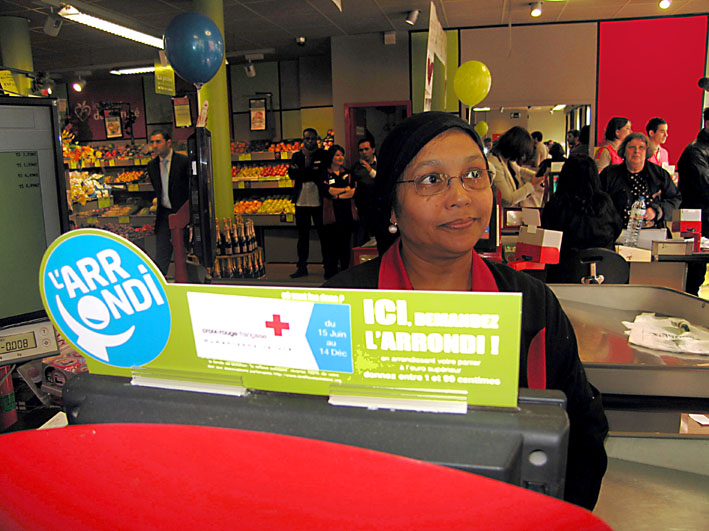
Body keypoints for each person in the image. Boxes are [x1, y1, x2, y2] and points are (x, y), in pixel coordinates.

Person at [324, 111, 609, 510]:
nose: (460, 196)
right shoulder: (339, 306)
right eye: (431, 180)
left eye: (474, 175)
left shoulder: (532, 306)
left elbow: (583, 433)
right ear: (391, 206)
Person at [542, 156, 623, 282]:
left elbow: (548, 241)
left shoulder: (556, 206)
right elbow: (616, 229)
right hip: (605, 276)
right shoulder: (605, 203)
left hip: (565, 277)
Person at [600, 132, 681, 230]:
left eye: (641, 147)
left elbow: (675, 199)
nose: (636, 151)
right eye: (631, 147)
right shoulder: (609, 174)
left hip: (652, 232)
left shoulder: (659, 174)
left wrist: (657, 211)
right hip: (616, 231)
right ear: (624, 151)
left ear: (647, 152)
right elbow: (599, 201)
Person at [146, 129, 190, 276]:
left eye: (158, 141)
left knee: (185, 254)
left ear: (168, 143)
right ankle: (162, 285)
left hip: (182, 214)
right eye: (152, 142)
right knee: (161, 256)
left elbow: (191, 187)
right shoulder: (151, 166)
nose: (155, 145)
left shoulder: (183, 162)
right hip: (164, 215)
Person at [677, 107, 709, 295]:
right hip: (697, 219)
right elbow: (705, 186)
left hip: (703, 216)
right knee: (694, 270)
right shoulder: (695, 152)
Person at [288, 128, 328, 278]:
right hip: (301, 201)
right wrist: (309, 171)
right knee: (302, 236)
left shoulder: (323, 155)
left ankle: (328, 267)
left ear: (317, 139)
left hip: (319, 201)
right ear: (303, 140)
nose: (310, 141)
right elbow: (291, 173)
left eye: (312, 138)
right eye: (307, 139)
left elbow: (320, 173)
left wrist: (302, 172)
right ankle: (302, 267)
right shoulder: (297, 156)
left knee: (323, 235)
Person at [321, 145, 357, 279]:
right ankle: (331, 274)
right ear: (331, 157)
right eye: (337, 155)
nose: (340, 157)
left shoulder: (347, 173)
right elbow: (327, 191)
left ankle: (345, 272)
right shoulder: (325, 173)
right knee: (331, 246)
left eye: (342, 154)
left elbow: (352, 191)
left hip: (346, 214)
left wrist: (337, 195)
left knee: (345, 245)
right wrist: (343, 190)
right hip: (331, 216)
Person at [489, 126, 545, 207]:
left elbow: (520, 170)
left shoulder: (507, 160)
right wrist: (531, 185)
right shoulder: (495, 163)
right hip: (503, 215)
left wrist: (536, 175)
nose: (522, 157)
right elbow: (507, 200)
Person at [352, 138, 377, 246]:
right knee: (361, 239)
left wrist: (369, 170)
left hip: (378, 208)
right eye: (361, 150)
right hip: (362, 210)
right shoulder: (356, 168)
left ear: (373, 150)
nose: (364, 152)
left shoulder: (381, 164)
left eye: (366, 149)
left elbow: (383, 181)